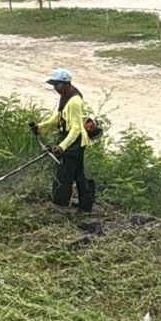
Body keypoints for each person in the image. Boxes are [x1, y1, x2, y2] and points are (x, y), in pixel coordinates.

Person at [29, 68, 96, 213]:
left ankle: (61, 203)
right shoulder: (65, 96)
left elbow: (77, 129)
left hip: (75, 141)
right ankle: (85, 205)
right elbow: (57, 119)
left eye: (57, 85)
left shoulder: (75, 101)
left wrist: (62, 147)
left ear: (66, 84)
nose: (55, 88)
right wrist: (39, 127)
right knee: (78, 174)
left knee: (64, 173)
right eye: (54, 85)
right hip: (70, 139)